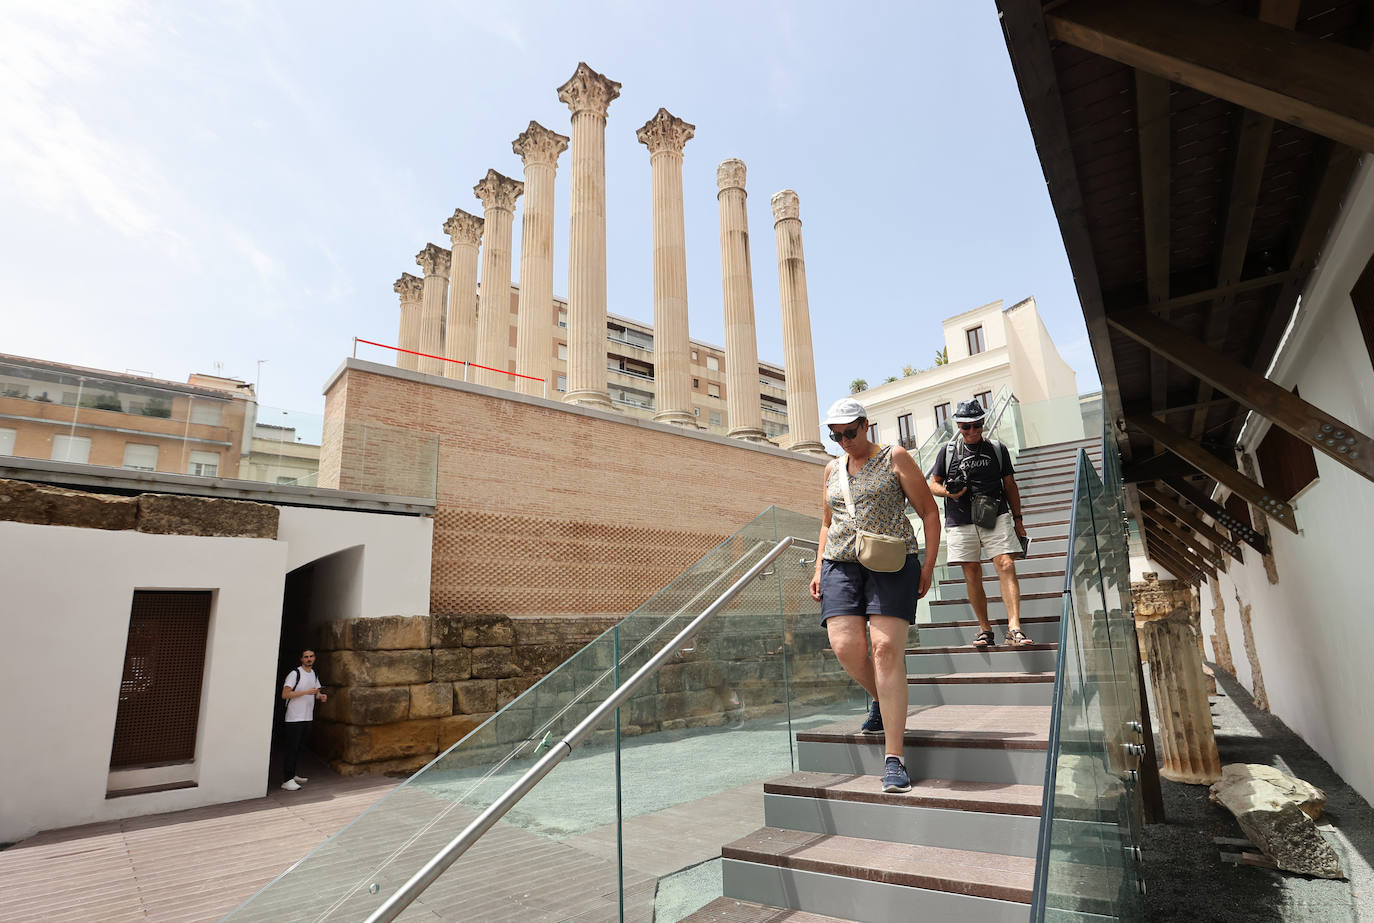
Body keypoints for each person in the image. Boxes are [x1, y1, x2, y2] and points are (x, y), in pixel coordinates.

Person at [809, 397, 941, 794]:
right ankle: (883, 700)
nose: (844, 441)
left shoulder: (895, 457)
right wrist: (818, 567)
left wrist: (929, 567)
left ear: (866, 425)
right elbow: (827, 522)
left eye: (850, 432)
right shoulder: (832, 468)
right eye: (835, 435)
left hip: (891, 562)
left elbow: (929, 513)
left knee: (884, 649)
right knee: (846, 648)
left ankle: (894, 758)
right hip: (840, 564)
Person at [928, 399, 1033, 648]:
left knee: (1006, 564)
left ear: (983, 423)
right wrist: (949, 492)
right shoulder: (947, 451)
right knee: (971, 572)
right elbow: (932, 483)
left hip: (995, 514)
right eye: (966, 427)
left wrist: (1019, 520)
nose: (973, 431)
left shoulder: (997, 448)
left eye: (977, 425)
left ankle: (1014, 628)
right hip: (960, 518)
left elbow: (1010, 485)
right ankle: (985, 629)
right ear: (959, 426)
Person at [280, 649, 326, 791]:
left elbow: (316, 691)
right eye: (306, 657)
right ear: (301, 659)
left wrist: (320, 696)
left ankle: (292, 775)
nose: (309, 659)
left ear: (314, 658)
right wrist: (306, 692)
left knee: (299, 748)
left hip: (307, 717)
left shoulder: (314, 673)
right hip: (294, 718)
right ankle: (286, 780)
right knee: (291, 749)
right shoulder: (295, 674)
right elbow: (285, 694)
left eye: (311, 656)